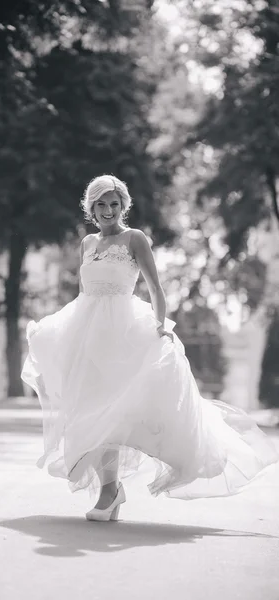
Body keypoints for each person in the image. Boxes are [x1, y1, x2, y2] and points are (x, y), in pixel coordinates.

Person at [21, 174, 278, 522]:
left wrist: (159, 327)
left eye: (115, 204)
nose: (109, 210)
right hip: (88, 334)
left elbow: (156, 289)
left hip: (125, 333)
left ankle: (110, 494)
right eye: (102, 204)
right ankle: (110, 491)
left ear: (123, 206)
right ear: (91, 207)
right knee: (93, 412)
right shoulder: (86, 244)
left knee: (115, 411)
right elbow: (84, 294)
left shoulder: (135, 239)